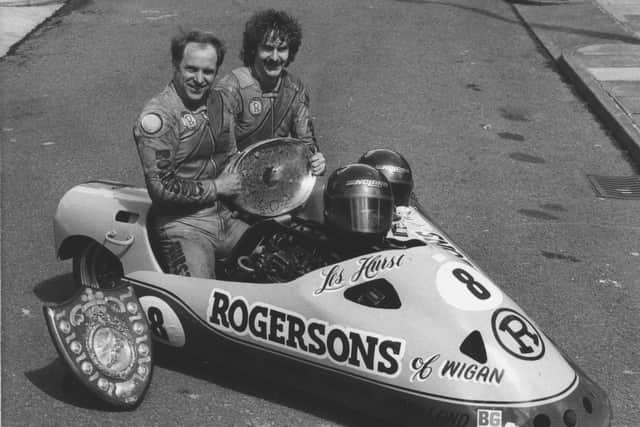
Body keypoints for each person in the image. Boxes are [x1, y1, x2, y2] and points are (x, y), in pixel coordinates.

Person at [133, 30, 249, 279]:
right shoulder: (160, 117)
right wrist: (217, 187)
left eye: (208, 72)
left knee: (285, 261)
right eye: (191, 69)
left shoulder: (220, 102)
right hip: (183, 227)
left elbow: (231, 156)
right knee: (201, 301)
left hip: (226, 219)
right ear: (176, 66)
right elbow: (162, 188)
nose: (199, 79)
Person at [215, 9, 326, 176]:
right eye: (267, 48)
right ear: (253, 49)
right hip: (234, 179)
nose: (275, 57)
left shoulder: (295, 90)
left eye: (281, 49)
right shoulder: (231, 89)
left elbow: (305, 144)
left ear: (290, 52)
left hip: (275, 177)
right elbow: (223, 153)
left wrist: (316, 160)